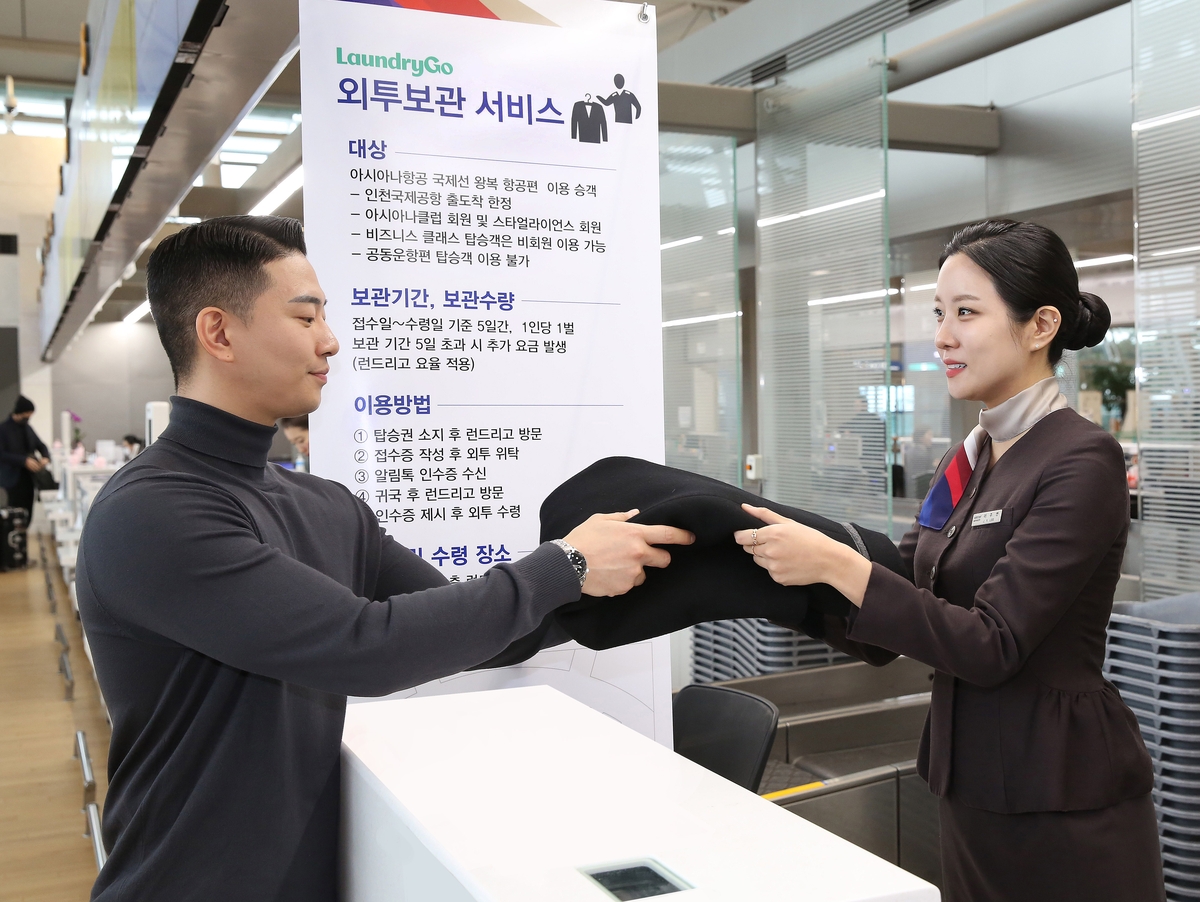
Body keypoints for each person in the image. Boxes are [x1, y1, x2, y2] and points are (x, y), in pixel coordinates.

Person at [75, 215, 694, 902]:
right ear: (218, 333)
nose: (330, 340)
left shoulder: (325, 505)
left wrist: (640, 571)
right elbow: (364, 647)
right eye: (305, 317)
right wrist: (564, 565)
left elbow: (486, 635)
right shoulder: (153, 511)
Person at [734, 220, 1163, 901]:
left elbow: (994, 642)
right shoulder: (966, 461)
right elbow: (900, 608)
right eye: (939, 314)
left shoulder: (1083, 459)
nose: (941, 336)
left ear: (1041, 325)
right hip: (969, 782)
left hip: (1060, 795)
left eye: (966, 313)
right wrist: (777, 580)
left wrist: (838, 565)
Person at [0, 395, 50, 514]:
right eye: (26, 415)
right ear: (20, 412)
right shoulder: (3, 429)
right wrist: (24, 461)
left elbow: (41, 445)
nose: (28, 418)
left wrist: (45, 457)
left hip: (29, 477)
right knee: (15, 510)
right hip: (12, 477)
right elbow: (2, 454)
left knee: (28, 509)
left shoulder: (27, 428)